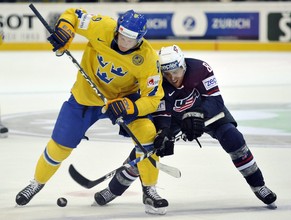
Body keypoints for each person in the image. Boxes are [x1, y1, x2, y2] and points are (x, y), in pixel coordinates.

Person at [15, 8, 168, 213]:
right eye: (121, 36)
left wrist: (131, 106)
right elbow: (74, 15)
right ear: (117, 29)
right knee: (59, 145)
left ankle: (150, 190)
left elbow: (153, 98)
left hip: (122, 102)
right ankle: (36, 182)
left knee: (148, 137)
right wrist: (65, 29)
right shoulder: (102, 26)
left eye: (130, 40)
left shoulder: (149, 59)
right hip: (86, 98)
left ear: (140, 39)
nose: (123, 42)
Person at [94, 44, 277, 211]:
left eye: (176, 71)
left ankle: (258, 185)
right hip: (174, 118)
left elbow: (215, 100)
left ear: (183, 65)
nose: (173, 77)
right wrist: (163, 132)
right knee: (148, 149)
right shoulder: (157, 79)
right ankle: (113, 190)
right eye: (167, 74)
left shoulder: (201, 69)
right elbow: (161, 110)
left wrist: (197, 114)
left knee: (233, 138)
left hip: (207, 110)